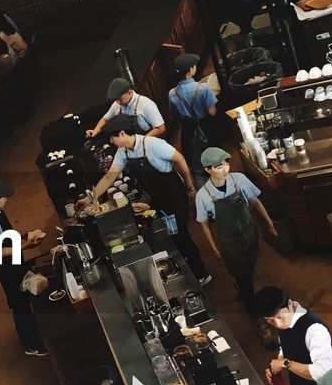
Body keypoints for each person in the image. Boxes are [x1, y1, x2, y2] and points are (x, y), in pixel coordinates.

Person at [92, 119, 210, 283]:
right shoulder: (124, 152)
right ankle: (187, 268)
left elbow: (180, 159)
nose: (112, 143)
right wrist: (92, 197)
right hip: (157, 197)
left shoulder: (153, 144)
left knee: (182, 234)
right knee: (172, 235)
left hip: (173, 195)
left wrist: (190, 187)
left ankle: (201, 274)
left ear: (122, 134)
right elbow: (109, 177)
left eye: (113, 139)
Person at [195, 147, 276, 310]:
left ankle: (245, 289)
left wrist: (270, 224)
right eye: (218, 166)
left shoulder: (239, 179)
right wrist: (214, 248)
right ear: (207, 170)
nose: (225, 169)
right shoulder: (203, 196)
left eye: (226, 164)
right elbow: (203, 224)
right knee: (242, 276)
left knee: (249, 266)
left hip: (249, 234)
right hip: (229, 243)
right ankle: (252, 308)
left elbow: (255, 202)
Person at [0, 180, 46, 356]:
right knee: (19, 304)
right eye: (4, 198)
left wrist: (25, 236)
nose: (7, 201)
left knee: (25, 299)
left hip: (14, 260)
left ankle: (37, 335)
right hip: (6, 267)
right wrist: (25, 246)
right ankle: (30, 345)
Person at [169, 53, 217, 169]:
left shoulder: (172, 93)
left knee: (195, 164)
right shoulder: (204, 87)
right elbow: (212, 112)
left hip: (188, 131)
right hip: (206, 126)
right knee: (214, 161)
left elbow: (175, 115)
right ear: (190, 70)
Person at [87, 76, 165, 139]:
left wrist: (140, 142)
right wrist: (95, 131)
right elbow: (105, 119)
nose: (117, 102)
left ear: (129, 92)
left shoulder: (146, 104)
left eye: (119, 99)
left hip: (147, 143)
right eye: (116, 99)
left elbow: (161, 128)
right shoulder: (117, 104)